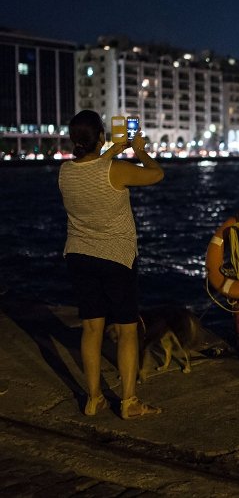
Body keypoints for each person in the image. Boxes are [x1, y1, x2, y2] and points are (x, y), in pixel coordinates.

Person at [59, 110, 164, 419]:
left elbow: (91, 168)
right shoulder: (115, 170)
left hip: (79, 255)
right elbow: (157, 174)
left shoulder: (64, 171)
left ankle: (93, 399)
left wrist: (113, 150)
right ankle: (129, 401)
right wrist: (141, 151)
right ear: (101, 137)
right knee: (127, 330)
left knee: (91, 328)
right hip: (116, 257)